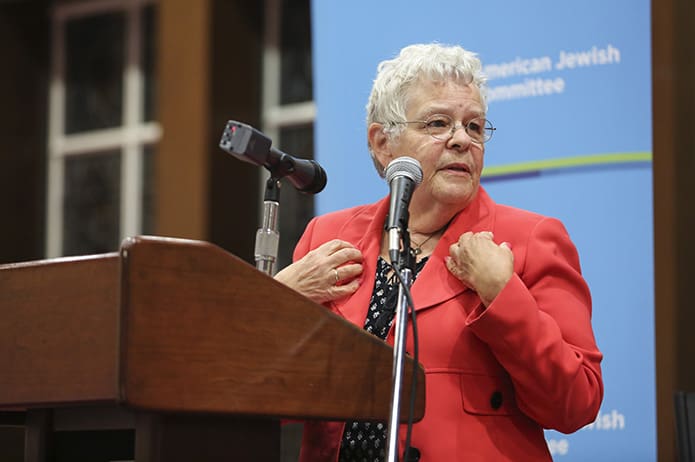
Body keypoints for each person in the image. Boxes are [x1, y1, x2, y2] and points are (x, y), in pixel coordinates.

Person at [274, 43, 603, 462]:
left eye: (475, 127)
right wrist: (281, 297)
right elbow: (268, 397)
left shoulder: (529, 240)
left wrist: (503, 294)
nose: (462, 140)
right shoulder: (327, 235)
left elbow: (577, 403)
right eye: (438, 123)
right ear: (381, 142)